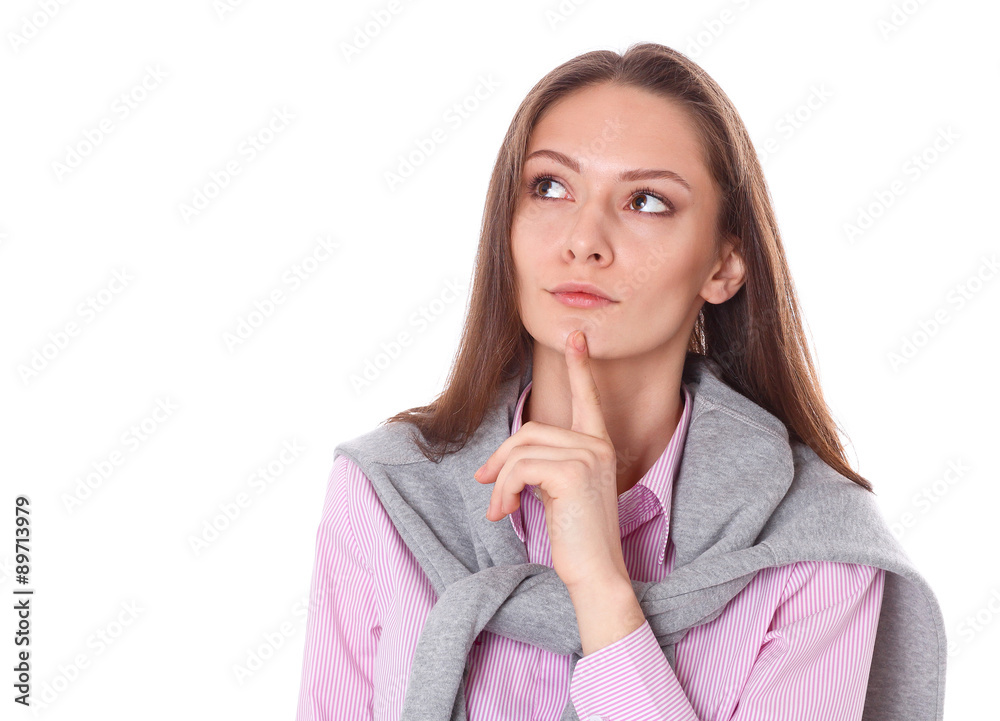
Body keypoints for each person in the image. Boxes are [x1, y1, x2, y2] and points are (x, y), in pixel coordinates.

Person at [296, 43, 945, 720]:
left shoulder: (818, 548)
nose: (583, 240)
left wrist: (603, 590)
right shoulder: (384, 491)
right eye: (550, 187)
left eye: (646, 200)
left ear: (725, 264)